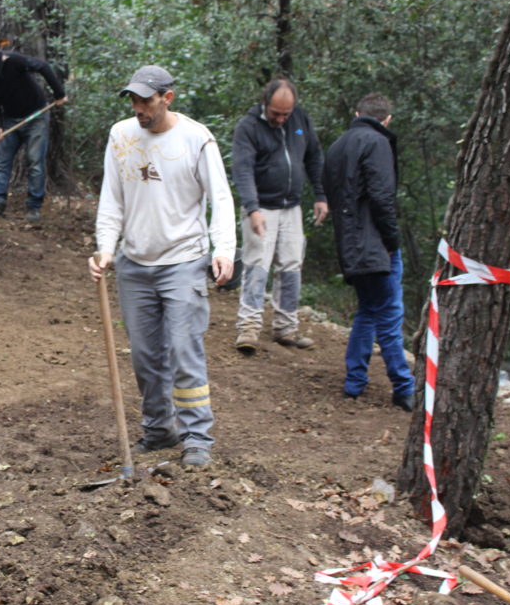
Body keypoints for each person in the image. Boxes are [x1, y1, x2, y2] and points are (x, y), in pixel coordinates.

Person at [88, 66, 235, 470]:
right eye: (133, 101)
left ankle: (197, 437)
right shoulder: (121, 135)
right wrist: (106, 249)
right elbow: (111, 198)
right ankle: (158, 430)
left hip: (183, 260)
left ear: (167, 98)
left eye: (146, 101)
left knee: (185, 351)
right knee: (145, 356)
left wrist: (224, 248)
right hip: (135, 263)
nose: (138, 108)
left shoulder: (196, 138)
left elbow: (221, 198)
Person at [323, 94, 414, 411]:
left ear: (357, 113)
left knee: (368, 311)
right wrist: (392, 242)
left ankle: (354, 383)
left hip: (349, 245)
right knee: (389, 314)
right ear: (387, 119)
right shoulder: (378, 143)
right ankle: (404, 387)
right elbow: (381, 196)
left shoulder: (337, 146)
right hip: (375, 245)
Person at [231, 78, 328, 353]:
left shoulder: (300, 120)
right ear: (265, 103)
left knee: (291, 265)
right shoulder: (249, 126)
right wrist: (253, 208)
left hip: (291, 206)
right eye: (276, 113)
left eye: (286, 113)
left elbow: (314, 156)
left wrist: (321, 195)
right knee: (256, 264)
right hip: (261, 205)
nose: (281, 119)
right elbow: (242, 169)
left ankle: (286, 327)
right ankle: (249, 326)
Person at [0, 43, 67, 222]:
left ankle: (33, 207)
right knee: (2, 161)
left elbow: (42, 66)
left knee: (35, 162)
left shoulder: (10, 61)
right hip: (10, 120)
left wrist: (59, 93)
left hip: (36, 117)